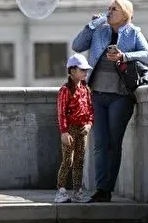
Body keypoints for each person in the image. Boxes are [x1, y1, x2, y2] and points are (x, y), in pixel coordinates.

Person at [71, 0, 148, 203]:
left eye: (114, 9)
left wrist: (124, 56)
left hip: (121, 96)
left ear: (124, 14)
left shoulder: (133, 32)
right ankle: (100, 188)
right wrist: (91, 25)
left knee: (113, 144)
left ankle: (107, 189)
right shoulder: (100, 30)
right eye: (108, 8)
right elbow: (77, 46)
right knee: (99, 143)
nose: (109, 12)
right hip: (97, 94)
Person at [54, 53, 95, 204]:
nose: (85, 72)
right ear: (72, 71)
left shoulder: (86, 89)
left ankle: (78, 191)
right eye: (82, 70)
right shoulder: (65, 90)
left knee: (79, 161)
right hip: (69, 130)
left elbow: (90, 109)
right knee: (67, 161)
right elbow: (61, 112)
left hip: (82, 129)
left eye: (86, 70)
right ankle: (61, 190)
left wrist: (89, 124)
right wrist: (64, 131)